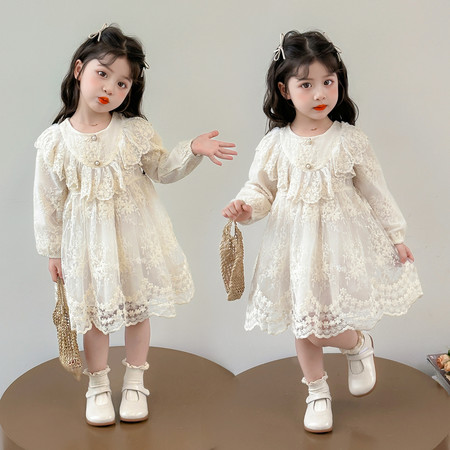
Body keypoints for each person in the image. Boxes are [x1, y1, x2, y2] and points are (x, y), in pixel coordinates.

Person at [34, 23, 236, 427]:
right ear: (79, 70)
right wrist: (53, 251)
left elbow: (162, 169)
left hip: (134, 237)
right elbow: (47, 202)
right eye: (102, 74)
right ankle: (97, 385)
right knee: (94, 315)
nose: (110, 88)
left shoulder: (133, 132)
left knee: (137, 311)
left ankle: (135, 381)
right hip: (87, 246)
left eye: (123, 83)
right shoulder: (55, 142)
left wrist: (192, 150)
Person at [222, 30, 422, 433]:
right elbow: (260, 189)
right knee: (305, 322)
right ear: (285, 89)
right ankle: (316, 391)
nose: (319, 94)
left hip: (340, 244)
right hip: (293, 245)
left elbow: (376, 190)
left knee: (323, 322)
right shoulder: (275, 144)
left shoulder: (350, 140)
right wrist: (246, 207)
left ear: (339, 82)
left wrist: (396, 235)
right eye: (306, 84)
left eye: (328, 82)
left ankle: (357, 343)